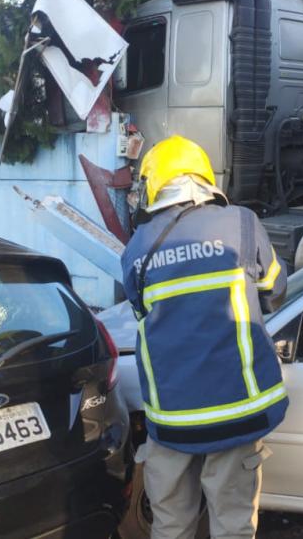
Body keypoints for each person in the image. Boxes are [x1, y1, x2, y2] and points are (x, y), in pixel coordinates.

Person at [121, 135, 288, 539]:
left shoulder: (136, 249)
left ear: (153, 184)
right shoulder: (242, 223)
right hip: (236, 415)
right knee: (232, 526)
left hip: (172, 420)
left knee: (171, 527)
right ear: (204, 177)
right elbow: (275, 290)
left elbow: (142, 313)